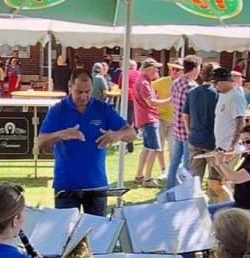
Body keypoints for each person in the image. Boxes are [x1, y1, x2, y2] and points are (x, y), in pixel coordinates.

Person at [38, 69, 136, 216]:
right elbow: (41, 142)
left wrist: (118, 134)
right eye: (79, 92)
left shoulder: (102, 109)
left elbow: (132, 134)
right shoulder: (58, 110)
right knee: (66, 229)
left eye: (88, 92)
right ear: (70, 86)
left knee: (97, 229)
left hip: (96, 185)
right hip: (66, 186)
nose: (84, 96)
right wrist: (60, 135)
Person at [209, 123, 250, 210]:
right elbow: (229, 177)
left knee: (213, 215)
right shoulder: (249, 156)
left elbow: (236, 178)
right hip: (239, 203)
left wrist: (221, 163)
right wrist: (216, 164)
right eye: (242, 143)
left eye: (248, 141)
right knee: (206, 211)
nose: (246, 145)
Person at [166, 54, 202, 190]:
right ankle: (184, 189)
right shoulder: (192, 87)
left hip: (177, 127)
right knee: (188, 161)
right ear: (195, 69)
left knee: (175, 160)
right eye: (199, 68)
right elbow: (193, 111)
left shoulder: (176, 82)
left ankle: (170, 187)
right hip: (188, 128)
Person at [184, 63, 220, 195]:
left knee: (195, 178)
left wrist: (189, 132)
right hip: (212, 140)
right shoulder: (217, 94)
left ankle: (193, 201)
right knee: (215, 179)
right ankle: (213, 202)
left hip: (195, 138)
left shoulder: (192, 92)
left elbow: (185, 116)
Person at [133, 58, 167, 188]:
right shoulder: (144, 83)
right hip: (149, 118)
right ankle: (147, 179)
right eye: (155, 68)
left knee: (147, 148)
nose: (157, 70)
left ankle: (139, 175)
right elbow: (151, 102)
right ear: (148, 69)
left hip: (145, 118)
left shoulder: (143, 81)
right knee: (154, 148)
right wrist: (169, 101)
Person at [151, 60, 184, 179]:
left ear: (183, 71)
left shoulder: (185, 84)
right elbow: (147, 87)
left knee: (173, 148)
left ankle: (172, 171)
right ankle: (163, 170)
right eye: (172, 69)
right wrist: (154, 99)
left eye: (177, 69)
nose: (174, 71)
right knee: (159, 147)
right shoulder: (163, 81)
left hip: (176, 120)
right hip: (160, 118)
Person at [213, 67, 247, 152]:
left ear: (225, 81)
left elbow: (240, 122)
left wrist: (232, 146)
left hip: (229, 147)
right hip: (221, 144)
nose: (214, 85)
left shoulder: (235, 97)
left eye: (216, 82)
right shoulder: (223, 95)